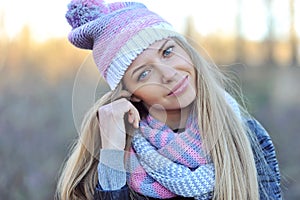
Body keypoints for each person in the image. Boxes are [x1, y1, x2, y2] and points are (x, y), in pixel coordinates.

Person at [55, 0, 282, 199]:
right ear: (130, 93)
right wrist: (113, 152)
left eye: (167, 52)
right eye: (144, 74)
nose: (169, 74)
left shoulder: (247, 135)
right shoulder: (115, 159)